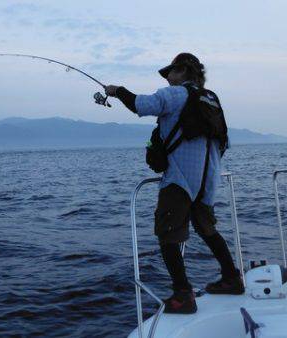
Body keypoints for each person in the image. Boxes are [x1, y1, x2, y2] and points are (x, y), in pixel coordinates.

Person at [105, 53, 244, 315]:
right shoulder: (211, 98)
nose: (167, 77)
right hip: (208, 179)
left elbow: (140, 105)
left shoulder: (175, 95)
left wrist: (116, 91)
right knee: (207, 229)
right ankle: (232, 278)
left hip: (179, 179)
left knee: (167, 233)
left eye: (170, 71)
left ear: (182, 71)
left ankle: (183, 294)